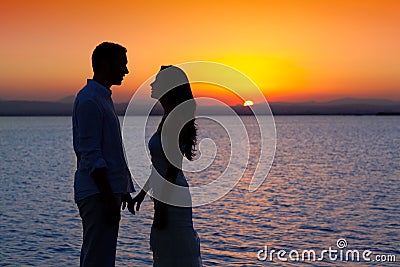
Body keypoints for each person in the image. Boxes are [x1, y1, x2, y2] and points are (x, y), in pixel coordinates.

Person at [130, 65, 202, 266]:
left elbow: (171, 170)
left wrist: (162, 207)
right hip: (166, 195)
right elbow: (158, 167)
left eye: (157, 81)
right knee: (167, 252)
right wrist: (142, 195)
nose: (152, 84)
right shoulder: (168, 117)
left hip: (172, 197)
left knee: (173, 252)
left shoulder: (175, 119)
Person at [72, 42, 136, 267]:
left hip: (106, 192)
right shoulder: (90, 100)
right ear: (104, 64)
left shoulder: (102, 98)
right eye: (122, 65)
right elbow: (91, 154)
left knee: (103, 257)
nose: (126, 71)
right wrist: (109, 196)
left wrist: (122, 189)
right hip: (98, 194)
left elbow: (110, 152)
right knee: (97, 258)